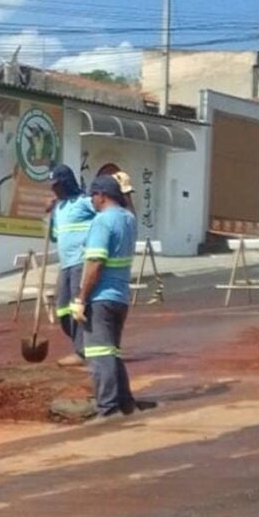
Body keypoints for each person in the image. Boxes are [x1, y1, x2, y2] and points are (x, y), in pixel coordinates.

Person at [69, 175, 151, 419]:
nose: (92, 201)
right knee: (112, 352)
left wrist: (81, 298)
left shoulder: (102, 221)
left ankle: (108, 408)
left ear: (102, 196)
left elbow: (96, 262)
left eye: (93, 196)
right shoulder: (128, 219)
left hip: (100, 298)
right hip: (120, 297)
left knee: (99, 355)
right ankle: (125, 402)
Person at [47, 164, 96, 368]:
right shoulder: (59, 208)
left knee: (78, 306)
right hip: (65, 264)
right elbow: (54, 236)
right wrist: (50, 214)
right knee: (62, 309)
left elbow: (103, 216)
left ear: (66, 183)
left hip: (80, 262)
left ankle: (82, 351)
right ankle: (82, 344)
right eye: (52, 185)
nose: (54, 189)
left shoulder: (84, 202)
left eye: (57, 185)